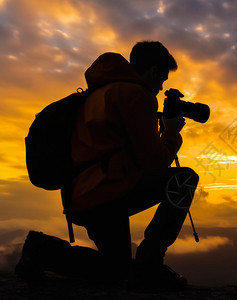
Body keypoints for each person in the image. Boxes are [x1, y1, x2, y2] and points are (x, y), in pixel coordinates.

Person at [16, 41, 199, 291]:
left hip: (84, 196)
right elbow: (153, 162)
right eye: (162, 80)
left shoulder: (102, 93)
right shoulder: (136, 94)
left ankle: (43, 251)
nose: (160, 88)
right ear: (153, 72)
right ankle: (149, 267)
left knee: (114, 269)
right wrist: (171, 133)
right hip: (107, 193)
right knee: (184, 180)